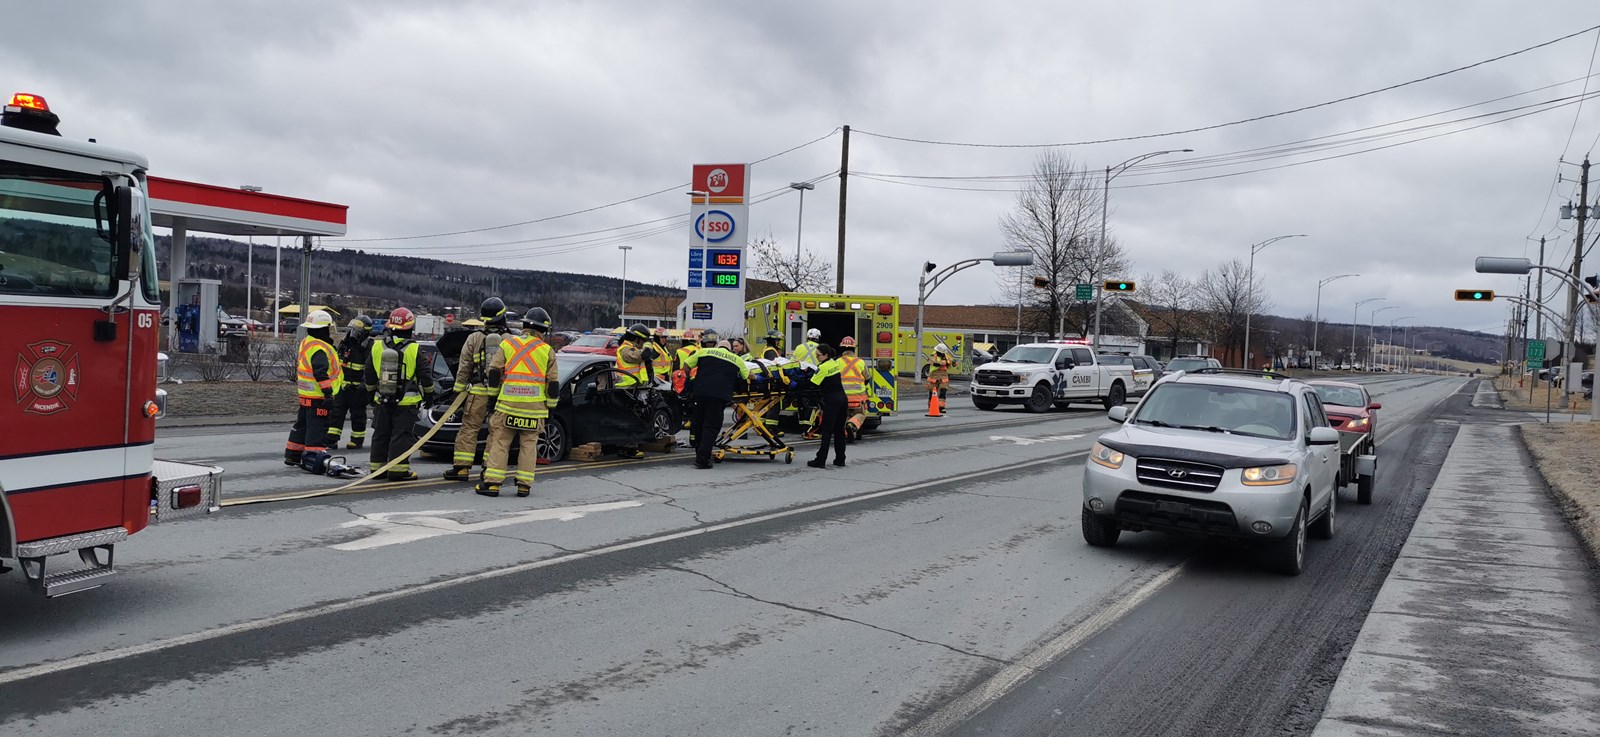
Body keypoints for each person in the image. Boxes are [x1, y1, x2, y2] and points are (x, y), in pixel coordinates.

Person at [477, 307, 558, 497]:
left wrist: (492, 397)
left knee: (500, 442)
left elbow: (495, 372)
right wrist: (551, 408)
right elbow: (553, 383)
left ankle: (492, 484)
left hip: (507, 405)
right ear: (543, 331)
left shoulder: (508, 345)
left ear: (524, 326)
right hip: (534, 409)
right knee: (528, 445)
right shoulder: (547, 351)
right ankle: (524, 485)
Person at [444, 297, 517, 482]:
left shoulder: (474, 338)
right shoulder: (511, 340)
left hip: (477, 392)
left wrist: (458, 392)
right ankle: (489, 469)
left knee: (469, 428)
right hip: (500, 394)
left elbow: (464, 368)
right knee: (496, 431)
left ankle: (461, 468)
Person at [364, 307, 436, 481]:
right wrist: (429, 394)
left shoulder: (377, 346)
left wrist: (371, 394)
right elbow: (425, 375)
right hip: (405, 403)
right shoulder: (413, 348)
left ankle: (377, 469)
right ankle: (398, 470)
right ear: (410, 328)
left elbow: (369, 373)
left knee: (381, 433)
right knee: (401, 435)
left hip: (382, 399)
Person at [681, 329, 749, 470]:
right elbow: (748, 376)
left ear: (717, 346)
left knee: (699, 424)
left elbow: (686, 365)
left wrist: (689, 379)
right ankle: (703, 459)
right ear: (729, 349)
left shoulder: (703, 352)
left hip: (700, 392)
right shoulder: (736, 359)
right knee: (711, 427)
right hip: (718, 396)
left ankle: (699, 453)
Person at [285, 309, 342, 469]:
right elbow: (320, 372)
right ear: (325, 328)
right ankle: (313, 458)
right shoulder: (320, 348)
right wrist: (328, 394)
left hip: (306, 394)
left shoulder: (307, 342)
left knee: (302, 426)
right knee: (317, 429)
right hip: (318, 396)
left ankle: (293, 455)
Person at [324, 314, 373, 450]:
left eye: (357, 331)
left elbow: (370, 369)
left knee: (358, 415)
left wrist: (363, 387)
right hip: (342, 387)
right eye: (353, 329)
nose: (353, 333)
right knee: (336, 413)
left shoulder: (369, 346)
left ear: (364, 332)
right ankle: (331, 440)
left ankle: (357, 441)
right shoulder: (345, 344)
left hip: (358, 390)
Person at [807, 343, 848, 468]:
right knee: (839, 430)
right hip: (842, 398)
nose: (816, 357)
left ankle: (820, 460)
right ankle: (840, 459)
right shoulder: (834, 363)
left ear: (825, 355)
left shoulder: (823, 367)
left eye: (818, 355)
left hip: (832, 401)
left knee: (827, 431)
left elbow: (812, 384)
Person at [838, 336, 871, 438]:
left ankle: (846, 431)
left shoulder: (837, 362)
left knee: (845, 415)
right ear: (854, 349)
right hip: (858, 397)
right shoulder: (860, 362)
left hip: (842, 396)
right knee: (861, 414)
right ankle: (852, 425)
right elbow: (867, 377)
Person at [927, 343, 954, 413]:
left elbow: (953, 362)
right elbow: (933, 362)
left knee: (943, 391)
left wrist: (953, 362)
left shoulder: (946, 356)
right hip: (934, 375)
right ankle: (931, 405)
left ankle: (941, 407)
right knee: (932, 391)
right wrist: (944, 362)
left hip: (943, 375)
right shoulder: (933, 354)